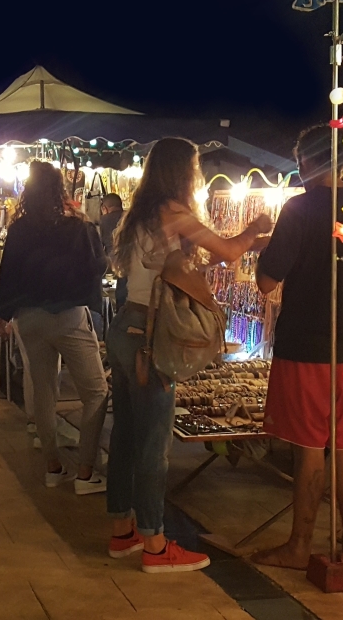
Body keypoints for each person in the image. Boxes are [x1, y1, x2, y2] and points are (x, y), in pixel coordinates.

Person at [107, 137, 272, 573]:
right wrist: (255, 229)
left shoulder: (140, 215)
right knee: (153, 443)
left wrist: (234, 246)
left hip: (125, 327)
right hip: (151, 337)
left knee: (125, 433)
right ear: (184, 172)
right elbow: (231, 251)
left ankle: (122, 530)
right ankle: (156, 545)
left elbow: (176, 269)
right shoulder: (174, 213)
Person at [249, 129, 343, 570]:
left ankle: (299, 545)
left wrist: (263, 251)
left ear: (309, 163)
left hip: (306, 345)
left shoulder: (297, 208)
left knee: (309, 446)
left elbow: (266, 281)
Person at [0, 161, 109, 494]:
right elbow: (97, 267)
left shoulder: (18, 229)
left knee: (43, 392)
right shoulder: (78, 227)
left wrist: (1, 314)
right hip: (68, 316)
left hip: (29, 319)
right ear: (60, 190)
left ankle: (53, 467)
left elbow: (8, 278)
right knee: (96, 392)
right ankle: (86, 472)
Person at [99, 193, 127, 309]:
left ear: (104, 209)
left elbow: (99, 247)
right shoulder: (130, 218)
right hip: (128, 264)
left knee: (108, 293)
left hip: (110, 267)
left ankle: (110, 313)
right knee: (124, 293)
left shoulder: (103, 221)